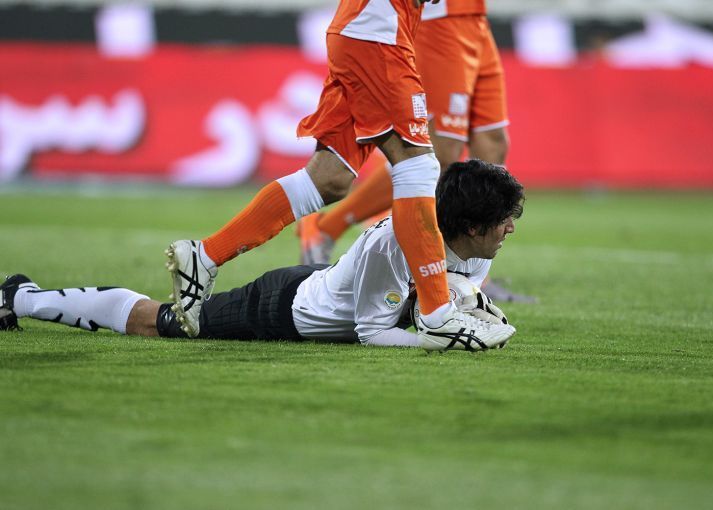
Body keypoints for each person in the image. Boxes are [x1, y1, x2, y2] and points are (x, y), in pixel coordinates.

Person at [164, 0, 511, 350]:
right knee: (418, 165)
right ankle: (439, 316)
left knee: (329, 178)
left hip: (374, 29)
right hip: (379, 30)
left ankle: (204, 255)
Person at [2, 161, 524, 351]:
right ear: (470, 226)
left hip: (328, 286)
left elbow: (420, 304)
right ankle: (20, 296)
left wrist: (462, 308)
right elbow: (372, 331)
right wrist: (442, 339)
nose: (510, 230)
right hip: (285, 308)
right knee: (160, 324)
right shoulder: (392, 243)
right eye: (503, 221)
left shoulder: (478, 246)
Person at [297, 0, 535, 303]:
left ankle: (476, 273)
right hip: (439, 22)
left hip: (475, 18)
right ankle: (327, 227)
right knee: (439, 156)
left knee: (493, 143)